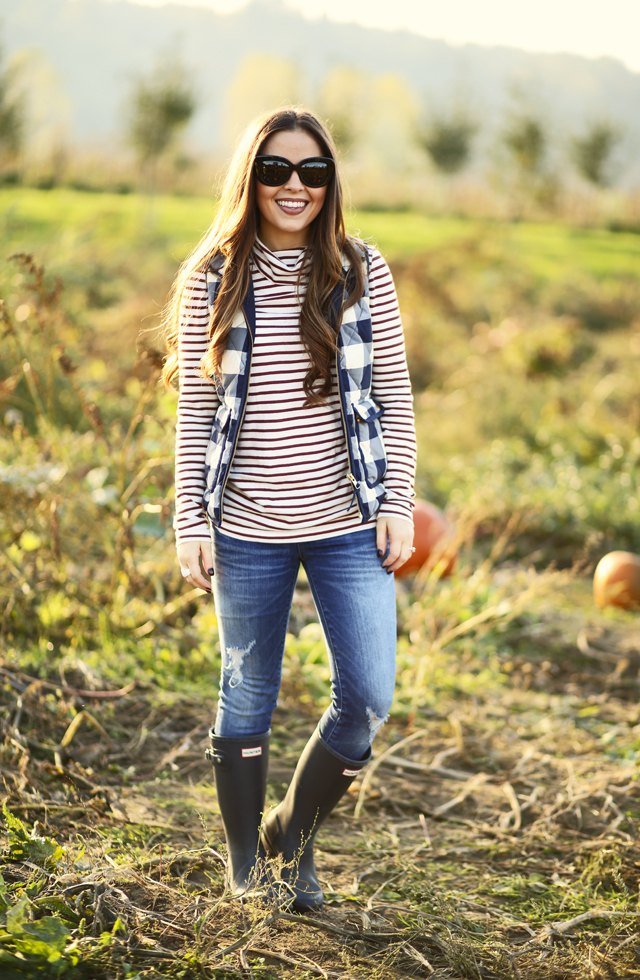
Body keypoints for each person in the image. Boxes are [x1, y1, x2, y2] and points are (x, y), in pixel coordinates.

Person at [162, 107, 416, 911]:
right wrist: (190, 519)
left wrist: (398, 501)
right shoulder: (213, 274)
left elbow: (395, 399)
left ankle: (290, 836)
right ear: (252, 178)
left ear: (330, 182)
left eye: (313, 171)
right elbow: (196, 414)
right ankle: (246, 862)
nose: (295, 186)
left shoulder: (359, 268)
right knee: (247, 694)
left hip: (348, 519)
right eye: (276, 170)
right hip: (245, 528)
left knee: (369, 694)